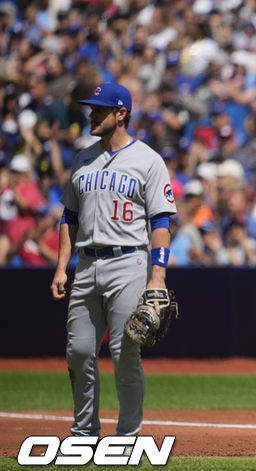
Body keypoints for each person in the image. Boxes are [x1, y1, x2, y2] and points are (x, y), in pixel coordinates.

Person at [49, 82, 177, 439]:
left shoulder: (149, 160)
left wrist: (158, 276)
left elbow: (161, 220)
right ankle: (84, 432)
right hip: (86, 264)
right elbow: (68, 218)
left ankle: (128, 435)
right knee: (78, 351)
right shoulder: (83, 158)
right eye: (92, 108)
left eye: (99, 109)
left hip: (129, 263)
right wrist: (62, 266)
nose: (92, 114)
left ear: (121, 114)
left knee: (124, 353)